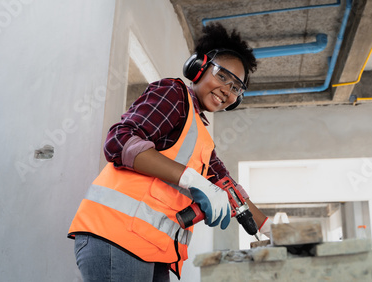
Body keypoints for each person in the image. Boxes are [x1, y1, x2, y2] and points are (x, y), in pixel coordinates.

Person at [68, 23, 271, 281]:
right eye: (222, 77)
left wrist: (270, 229)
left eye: (236, 88)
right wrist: (193, 180)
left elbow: (229, 189)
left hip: (153, 250)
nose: (227, 90)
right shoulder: (173, 94)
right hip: (117, 237)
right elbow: (119, 141)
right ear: (199, 68)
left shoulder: (201, 137)